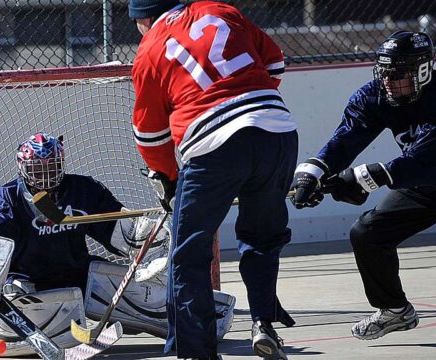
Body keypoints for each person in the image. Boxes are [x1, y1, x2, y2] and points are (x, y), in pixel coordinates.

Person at [0, 132, 236, 358]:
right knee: (36, 314)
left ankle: (207, 318)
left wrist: (151, 229)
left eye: (52, 167)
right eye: (38, 170)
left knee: (145, 299)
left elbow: (120, 231)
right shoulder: (7, 199)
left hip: (78, 272)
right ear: (22, 169)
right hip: (26, 282)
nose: (46, 176)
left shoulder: (83, 190)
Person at [289, 31, 436, 340]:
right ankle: (395, 310)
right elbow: (347, 138)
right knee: (368, 233)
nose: (388, 82)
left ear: (423, 70)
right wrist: (314, 172)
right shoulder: (375, 95)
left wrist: (362, 178)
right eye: (383, 73)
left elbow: (425, 162)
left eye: (397, 74)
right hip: (428, 186)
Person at [129, 1, 298, 359]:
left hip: (213, 146)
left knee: (189, 254)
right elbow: (274, 61)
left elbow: (150, 136)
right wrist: (249, 102)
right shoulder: (218, 9)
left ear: (142, 19)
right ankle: (262, 323)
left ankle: (195, 352)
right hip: (277, 130)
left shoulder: (149, 49)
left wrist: (170, 181)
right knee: (262, 239)